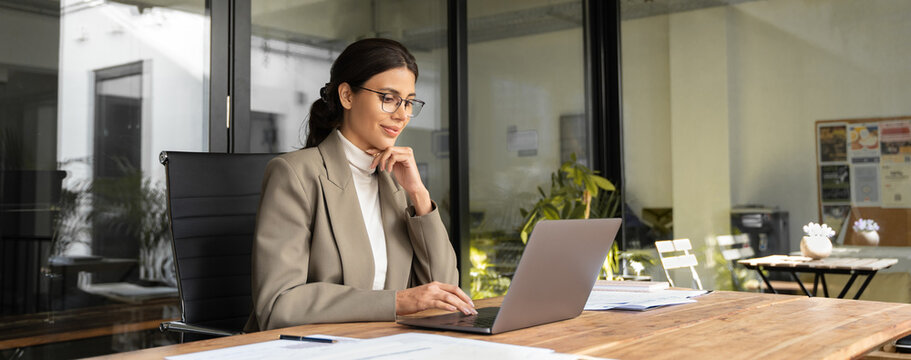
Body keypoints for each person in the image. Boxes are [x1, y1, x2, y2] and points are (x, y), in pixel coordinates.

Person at [246, 38, 476, 332]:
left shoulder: (394, 181)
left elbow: (444, 291)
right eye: (389, 98)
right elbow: (279, 305)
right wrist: (396, 302)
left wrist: (419, 195)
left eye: (408, 102)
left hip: (384, 344)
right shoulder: (295, 174)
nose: (402, 114)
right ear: (347, 96)